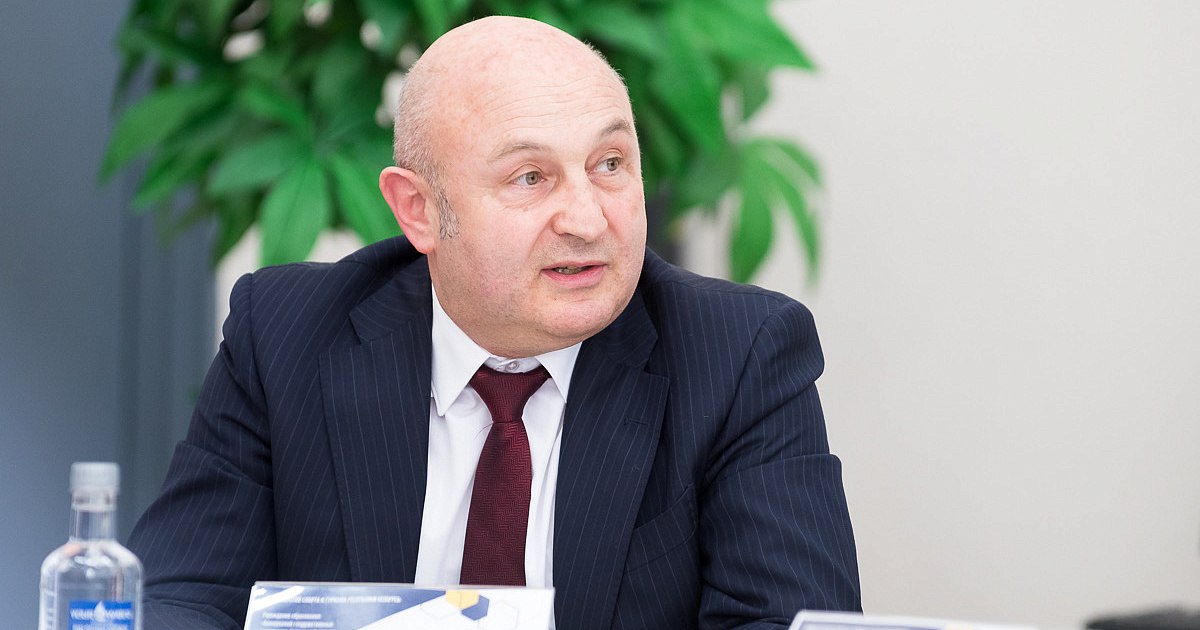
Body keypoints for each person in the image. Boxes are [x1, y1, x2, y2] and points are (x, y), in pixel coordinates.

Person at [127, 15, 861, 630]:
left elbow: (783, 620)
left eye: (610, 164)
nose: (586, 220)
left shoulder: (738, 355)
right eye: (530, 178)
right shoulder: (286, 334)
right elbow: (185, 596)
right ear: (418, 210)